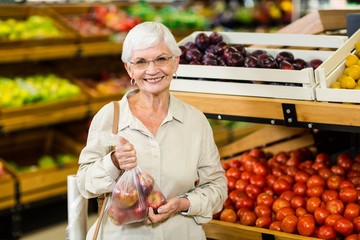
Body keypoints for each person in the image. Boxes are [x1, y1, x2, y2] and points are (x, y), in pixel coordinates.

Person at [77, 21, 227, 240]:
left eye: (161, 59)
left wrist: (183, 204)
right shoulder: (110, 116)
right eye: (140, 62)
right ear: (129, 69)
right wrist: (113, 162)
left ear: (175, 62)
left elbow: (217, 187)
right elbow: (85, 184)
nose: (152, 70)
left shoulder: (195, 121)